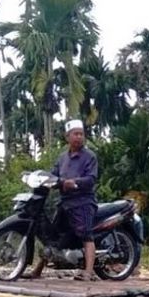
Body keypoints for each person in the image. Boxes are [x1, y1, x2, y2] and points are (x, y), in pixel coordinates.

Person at [51, 119, 99, 281]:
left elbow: (91, 179)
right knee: (53, 236)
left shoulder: (89, 156)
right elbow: (54, 176)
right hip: (65, 202)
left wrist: (75, 183)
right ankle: (37, 269)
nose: (79, 137)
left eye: (81, 134)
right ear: (67, 137)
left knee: (86, 235)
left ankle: (89, 271)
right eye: (75, 134)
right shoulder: (62, 157)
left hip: (83, 202)